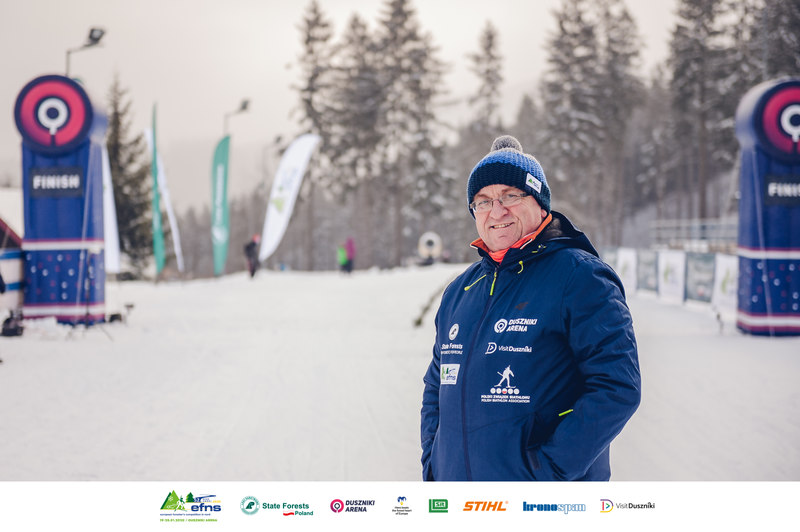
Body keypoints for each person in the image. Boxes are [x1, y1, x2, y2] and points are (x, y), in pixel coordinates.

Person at [420, 135, 641, 481]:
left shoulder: (580, 276)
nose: (497, 211)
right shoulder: (460, 291)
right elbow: (437, 386)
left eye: (510, 195)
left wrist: (548, 472)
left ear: (540, 204)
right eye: (483, 201)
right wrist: (433, 463)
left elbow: (617, 387)